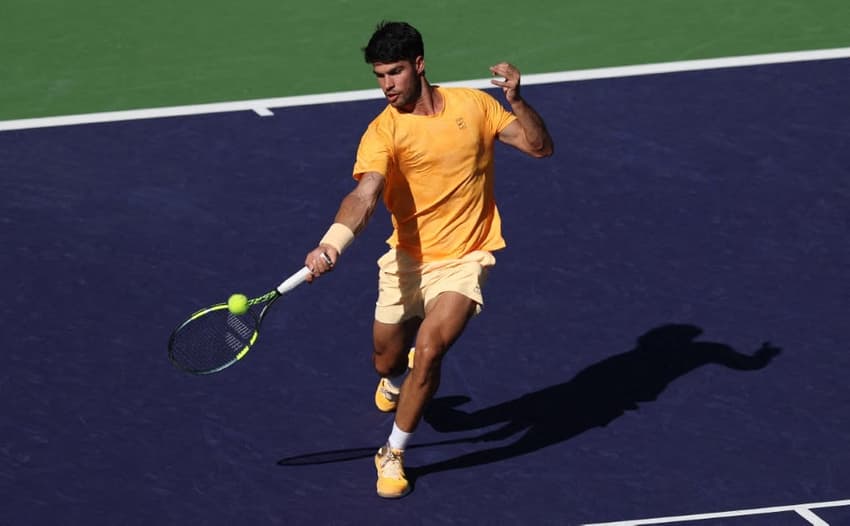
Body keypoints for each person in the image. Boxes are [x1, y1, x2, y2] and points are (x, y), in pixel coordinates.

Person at [303, 20, 553, 498]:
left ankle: (393, 451)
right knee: (386, 360)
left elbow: (540, 148)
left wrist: (516, 101)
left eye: (394, 72)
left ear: (419, 65)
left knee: (432, 349)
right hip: (407, 259)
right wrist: (332, 242)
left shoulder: (474, 105)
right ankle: (396, 382)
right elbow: (365, 194)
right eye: (379, 76)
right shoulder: (383, 131)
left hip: (465, 257)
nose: (387, 86)